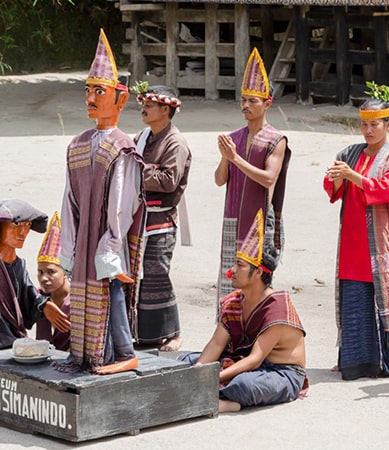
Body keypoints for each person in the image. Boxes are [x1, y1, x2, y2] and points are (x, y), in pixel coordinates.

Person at [58, 29, 146, 375]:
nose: (91, 99)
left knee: (109, 288)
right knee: (83, 290)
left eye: (99, 91)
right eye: (88, 91)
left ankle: (121, 353)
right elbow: (69, 199)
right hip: (83, 238)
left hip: (105, 239)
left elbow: (122, 203)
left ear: (120, 101)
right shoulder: (77, 145)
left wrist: (110, 243)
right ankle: (84, 355)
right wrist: (71, 243)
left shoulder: (122, 147)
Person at [323, 88, 389, 380]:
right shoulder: (350, 153)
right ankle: (356, 361)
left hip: (385, 238)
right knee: (356, 300)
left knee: (388, 298)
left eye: (375, 124)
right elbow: (332, 188)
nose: (368, 130)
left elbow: (388, 190)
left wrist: (351, 176)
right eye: (364, 124)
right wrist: (337, 178)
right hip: (353, 237)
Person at [183, 209, 306, 413]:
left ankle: (229, 402)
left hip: (281, 372)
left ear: (258, 272)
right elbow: (216, 343)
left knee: (242, 385)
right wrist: (199, 372)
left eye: (239, 265)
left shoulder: (277, 306)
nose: (232, 270)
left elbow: (255, 359)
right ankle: (209, 392)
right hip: (246, 361)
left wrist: (211, 378)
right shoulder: (234, 301)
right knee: (187, 362)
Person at [214, 47, 291, 301]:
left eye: (252, 101)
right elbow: (219, 180)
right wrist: (227, 159)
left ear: (267, 104)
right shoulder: (235, 136)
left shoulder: (275, 139)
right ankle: (227, 336)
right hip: (232, 216)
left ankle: (255, 334)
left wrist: (235, 158)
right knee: (230, 281)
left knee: (255, 283)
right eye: (243, 100)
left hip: (258, 220)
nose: (246, 106)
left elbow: (269, 178)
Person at [131, 83, 192, 352]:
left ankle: (173, 333)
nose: (143, 108)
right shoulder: (142, 137)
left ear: (165, 109)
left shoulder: (175, 142)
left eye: (150, 105)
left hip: (161, 221)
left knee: (158, 275)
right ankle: (146, 334)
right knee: (138, 277)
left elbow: (168, 181)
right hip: (139, 219)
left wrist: (136, 171)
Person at [0, 200, 70, 350]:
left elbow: (29, 294)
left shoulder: (19, 264)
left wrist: (44, 305)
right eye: (16, 225)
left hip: (15, 338)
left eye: (27, 225)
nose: (23, 232)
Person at [34, 212, 72, 351]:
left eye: (51, 272)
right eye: (40, 272)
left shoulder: (79, 300)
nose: (43, 278)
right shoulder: (38, 298)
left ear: (65, 272)